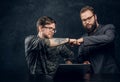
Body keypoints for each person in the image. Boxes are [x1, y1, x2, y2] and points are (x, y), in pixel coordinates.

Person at [76, 6, 119, 73]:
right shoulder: (83, 37)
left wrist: (84, 40)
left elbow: (109, 38)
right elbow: (80, 58)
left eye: (89, 18)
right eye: (84, 20)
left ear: (95, 17)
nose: (87, 22)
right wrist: (84, 62)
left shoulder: (108, 28)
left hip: (110, 76)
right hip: (92, 77)